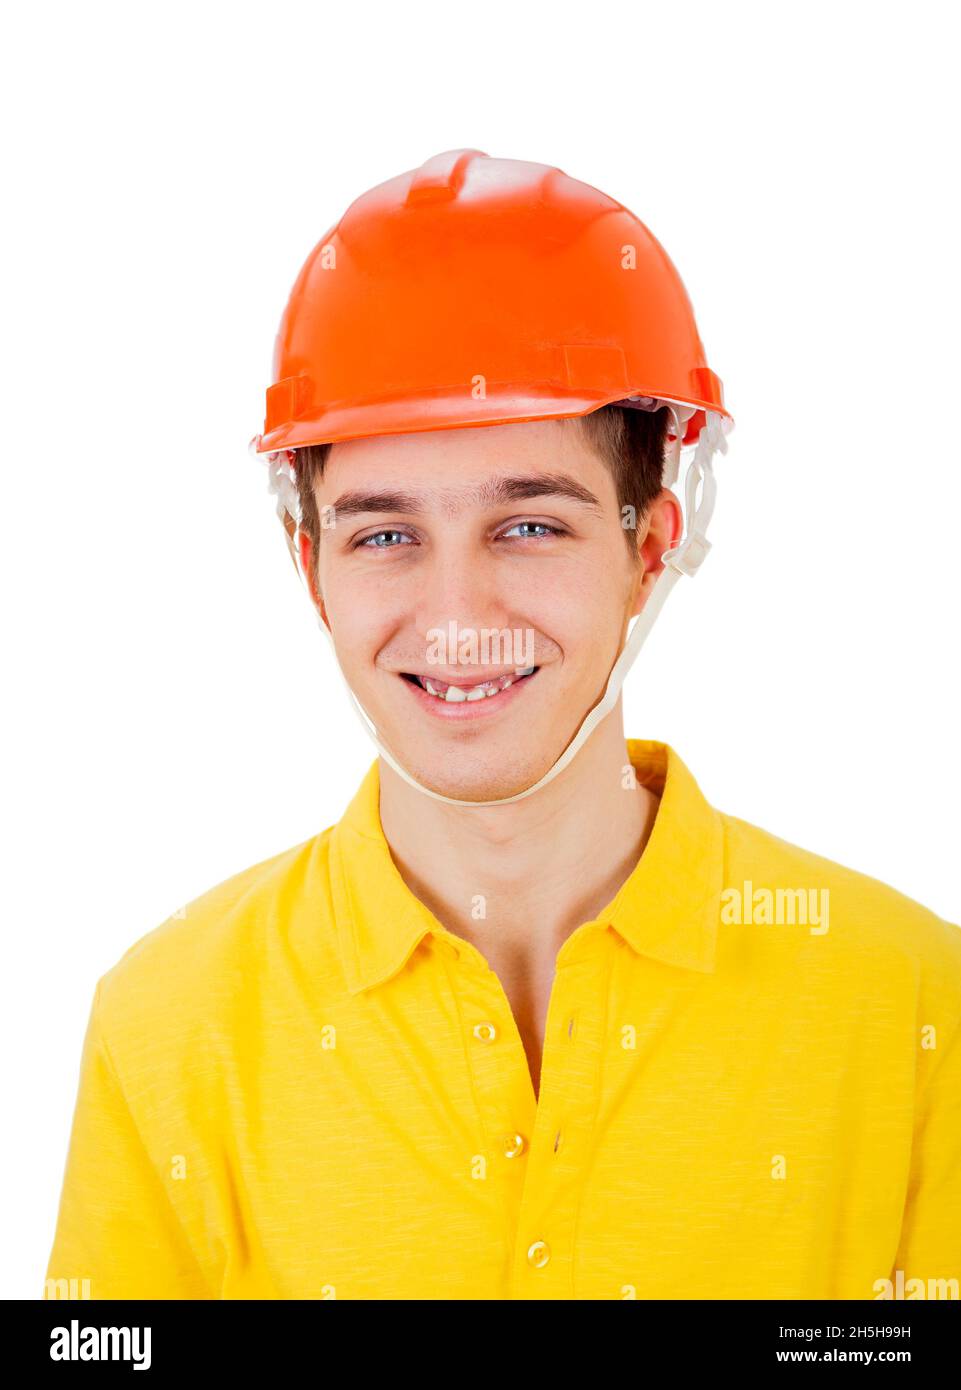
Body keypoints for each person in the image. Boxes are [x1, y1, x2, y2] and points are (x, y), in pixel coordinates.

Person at [44, 149, 961, 1301]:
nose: (458, 616)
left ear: (649, 543)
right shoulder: (167, 1027)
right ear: (309, 566)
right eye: (383, 534)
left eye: (528, 525)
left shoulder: (914, 1004)